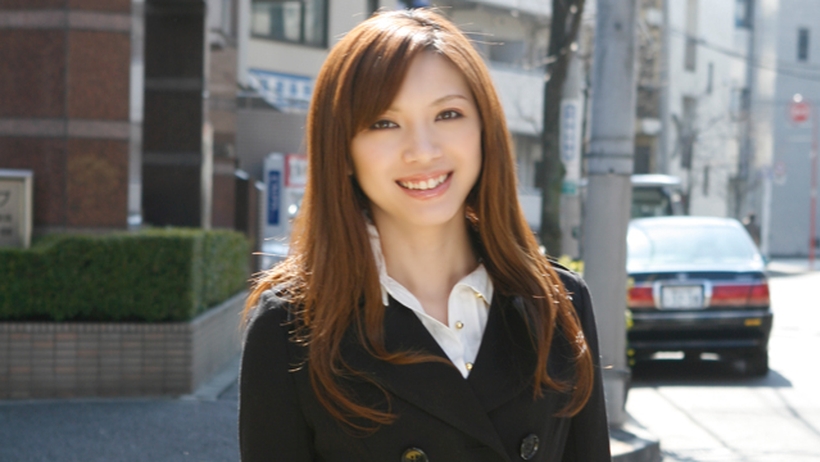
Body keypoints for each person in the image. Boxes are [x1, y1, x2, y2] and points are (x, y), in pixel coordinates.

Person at [239, 8, 610, 462]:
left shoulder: (558, 302)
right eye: (384, 123)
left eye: (448, 114)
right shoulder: (289, 328)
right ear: (343, 151)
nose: (423, 151)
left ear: (484, 131)